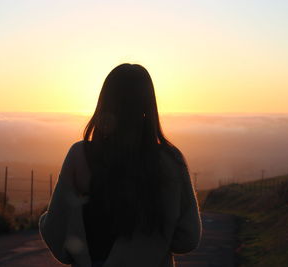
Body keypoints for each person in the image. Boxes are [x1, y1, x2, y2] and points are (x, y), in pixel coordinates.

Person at [39, 63, 202, 267]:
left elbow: (58, 235)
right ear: (148, 104)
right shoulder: (170, 160)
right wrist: (154, 243)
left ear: (104, 102)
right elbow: (187, 238)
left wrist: (47, 220)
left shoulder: (79, 156)